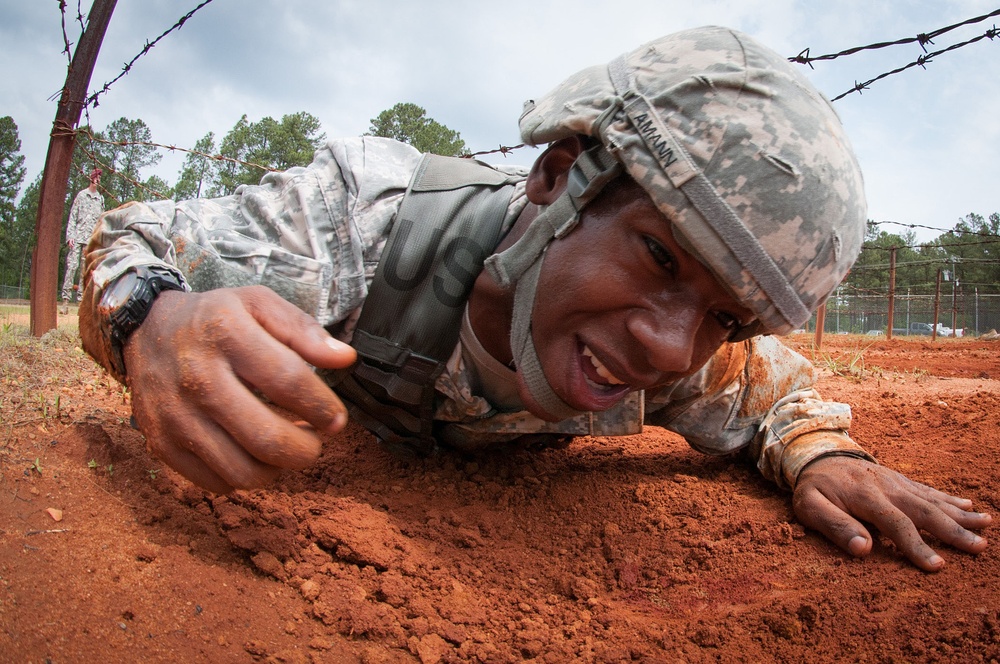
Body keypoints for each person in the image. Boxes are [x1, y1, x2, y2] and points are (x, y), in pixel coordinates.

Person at [78, 27, 990, 572]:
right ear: (560, 177)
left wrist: (821, 453)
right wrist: (149, 320)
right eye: (660, 255)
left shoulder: (682, 357)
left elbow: (779, 394)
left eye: (725, 315)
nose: (670, 348)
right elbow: (133, 239)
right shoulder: (371, 222)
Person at [61, 167, 105, 314]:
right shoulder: (81, 196)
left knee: (83, 271)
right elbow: (73, 217)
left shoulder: (100, 199)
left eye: (100, 177)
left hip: (90, 240)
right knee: (71, 267)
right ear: (91, 178)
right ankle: (65, 301)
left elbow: (101, 221)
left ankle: (80, 302)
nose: (98, 179)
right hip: (77, 237)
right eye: (96, 177)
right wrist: (70, 236)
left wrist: (98, 241)